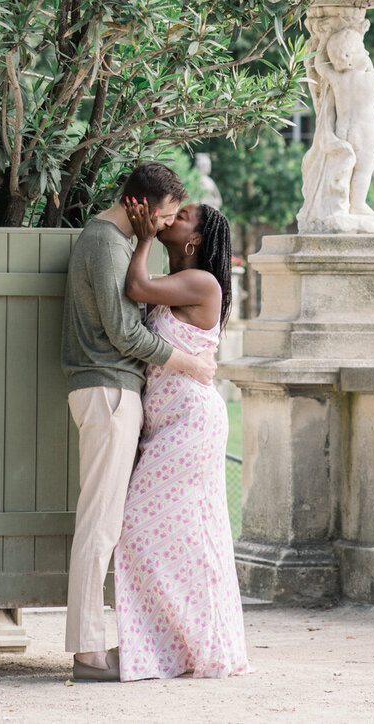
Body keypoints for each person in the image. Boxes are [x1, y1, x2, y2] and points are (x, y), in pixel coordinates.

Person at [60, 161, 218, 682]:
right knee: (101, 524)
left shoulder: (118, 243)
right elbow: (126, 336)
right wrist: (190, 363)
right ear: (144, 206)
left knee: (107, 523)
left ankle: (141, 641)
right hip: (107, 392)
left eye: (177, 217)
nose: (168, 222)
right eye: (167, 213)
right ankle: (87, 652)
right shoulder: (107, 243)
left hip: (116, 393)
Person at [111, 197, 250, 681]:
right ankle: (172, 647)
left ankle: (169, 646)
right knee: (182, 537)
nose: (173, 216)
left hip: (191, 425)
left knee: (137, 528)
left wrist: (145, 233)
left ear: (193, 239)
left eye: (183, 215)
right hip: (165, 424)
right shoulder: (180, 282)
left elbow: (135, 286)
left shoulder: (201, 282)